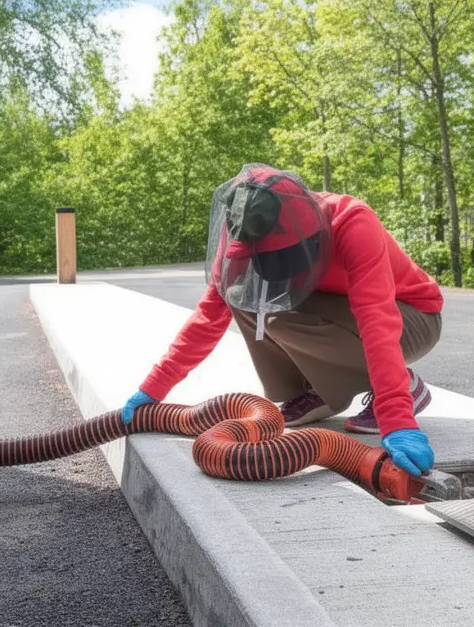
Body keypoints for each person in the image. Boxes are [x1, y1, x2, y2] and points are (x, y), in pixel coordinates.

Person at [119, 164, 444, 476]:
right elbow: (209, 317)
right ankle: (319, 388)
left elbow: (377, 320)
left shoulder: (352, 222)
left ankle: (407, 385)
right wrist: (153, 387)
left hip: (412, 317)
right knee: (243, 296)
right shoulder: (242, 230)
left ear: (310, 238)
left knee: (276, 315)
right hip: (345, 310)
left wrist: (397, 418)